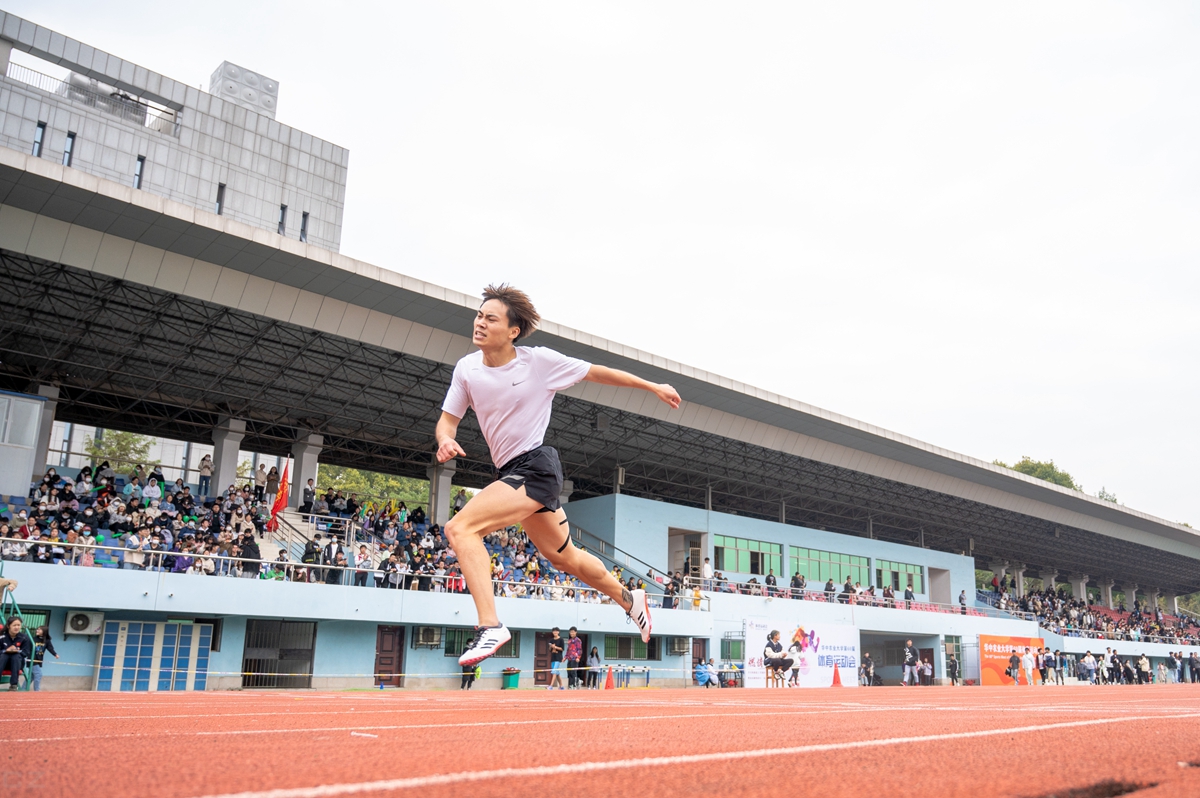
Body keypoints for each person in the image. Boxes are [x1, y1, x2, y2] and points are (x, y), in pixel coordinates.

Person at [437, 285, 679, 666]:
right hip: (511, 471)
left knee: (460, 529)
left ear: (513, 330)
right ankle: (630, 598)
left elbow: (596, 372)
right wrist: (445, 441)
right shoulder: (467, 369)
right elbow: (447, 421)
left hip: (535, 465)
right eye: (479, 315)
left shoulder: (538, 362)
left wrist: (652, 386)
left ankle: (490, 626)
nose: (480, 323)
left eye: (490, 318)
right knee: (564, 557)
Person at [0, 616, 31, 690]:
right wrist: (6, 650)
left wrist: (17, 651)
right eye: (14, 625)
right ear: (8, 626)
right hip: (3, 663)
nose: (17, 627)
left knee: (15, 656)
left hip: (17, 663)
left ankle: (14, 685)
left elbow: (26, 652)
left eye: (19, 625)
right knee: (4, 655)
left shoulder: (24, 637)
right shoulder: (2, 637)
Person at [30, 626, 58, 692]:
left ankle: (23, 689)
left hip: (39, 660)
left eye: (39, 629)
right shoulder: (33, 639)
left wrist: (55, 654)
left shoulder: (47, 641)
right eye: (37, 629)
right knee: (38, 674)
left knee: (31, 677)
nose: (37, 630)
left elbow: (50, 648)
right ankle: (37, 691)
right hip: (32, 659)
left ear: (44, 631)